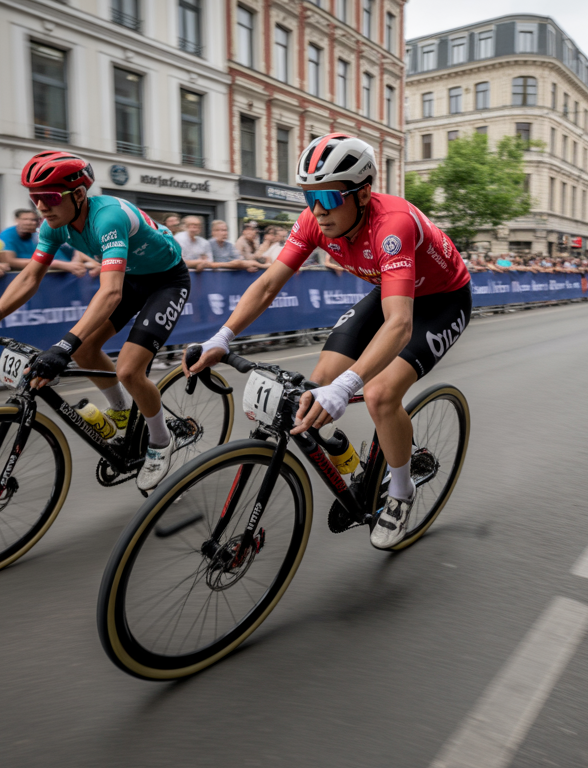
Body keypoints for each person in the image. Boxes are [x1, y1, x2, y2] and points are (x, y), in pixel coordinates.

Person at [185, 134, 472, 549]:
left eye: (328, 198)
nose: (317, 210)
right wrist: (222, 337)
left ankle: (401, 492)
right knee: (312, 388)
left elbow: (399, 325)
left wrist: (348, 385)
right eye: (308, 197)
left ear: (363, 194)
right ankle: (349, 458)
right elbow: (267, 285)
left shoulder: (391, 225)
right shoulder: (314, 221)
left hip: (442, 301)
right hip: (392, 288)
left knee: (378, 394)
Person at [0, 151, 189, 492]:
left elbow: (110, 294)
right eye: (34, 198)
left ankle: (161, 442)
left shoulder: (107, 218)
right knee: (85, 350)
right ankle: (121, 411)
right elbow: (30, 277)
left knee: (128, 370)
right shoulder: (54, 227)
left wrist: (62, 346)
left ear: (78, 194)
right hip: (132, 279)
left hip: (166, 280)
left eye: (49, 197)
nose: (41, 207)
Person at [0, 208, 95, 276]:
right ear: (17, 220)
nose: (29, 222)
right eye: (25, 219)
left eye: (33, 220)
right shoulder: (7, 235)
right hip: (24, 278)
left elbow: (74, 250)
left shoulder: (39, 234)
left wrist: (89, 262)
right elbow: (8, 261)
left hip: (53, 274)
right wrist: (56, 264)